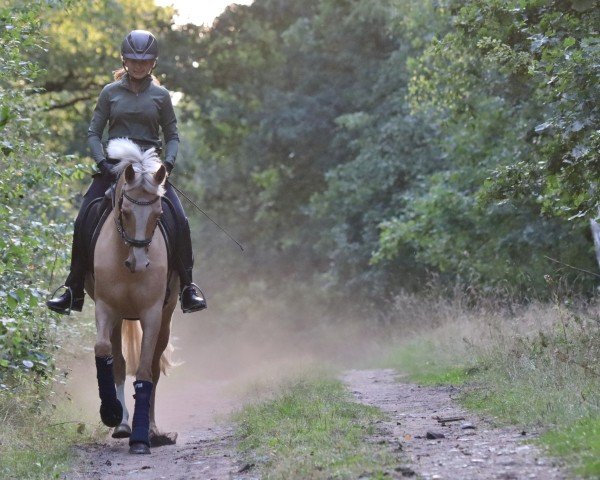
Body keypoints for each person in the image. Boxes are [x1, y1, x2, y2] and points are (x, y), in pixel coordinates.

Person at [47, 30, 207, 315]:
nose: (138, 66)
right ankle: (72, 288)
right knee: (83, 217)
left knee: (180, 220)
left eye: (144, 61)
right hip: (114, 167)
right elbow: (94, 133)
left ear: (153, 63)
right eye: (133, 60)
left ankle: (187, 288)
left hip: (151, 169)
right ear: (125, 59)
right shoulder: (110, 92)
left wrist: (167, 165)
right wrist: (101, 163)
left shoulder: (161, 95)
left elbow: (172, 136)